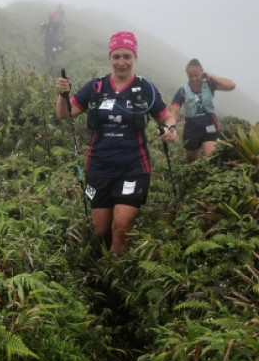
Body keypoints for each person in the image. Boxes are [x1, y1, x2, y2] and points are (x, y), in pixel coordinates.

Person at [56, 31, 179, 254]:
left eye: (126, 56)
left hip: (133, 167)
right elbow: (66, 114)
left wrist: (169, 130)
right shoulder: (96, 87)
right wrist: (61, 94)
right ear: (110, 57)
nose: (121, 62)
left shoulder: (145, 88)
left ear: (135, 57)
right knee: (100, 230)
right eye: (117, 56)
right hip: (99, 167)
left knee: (121, 227)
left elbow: (166, 117)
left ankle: (118, 274)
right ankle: (103, 268)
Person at [169, 58, 236, 162]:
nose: (194, 79)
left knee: (210, 159)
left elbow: (231, 86)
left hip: (209, 127)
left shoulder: (210, 85)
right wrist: (172, 128)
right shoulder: (182, 91)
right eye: (191, 76)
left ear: (202, 72)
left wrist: (212, 77)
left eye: (197, 75)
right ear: (187, 75)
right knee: (192, 160)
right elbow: (174, 111)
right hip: (191, 129)